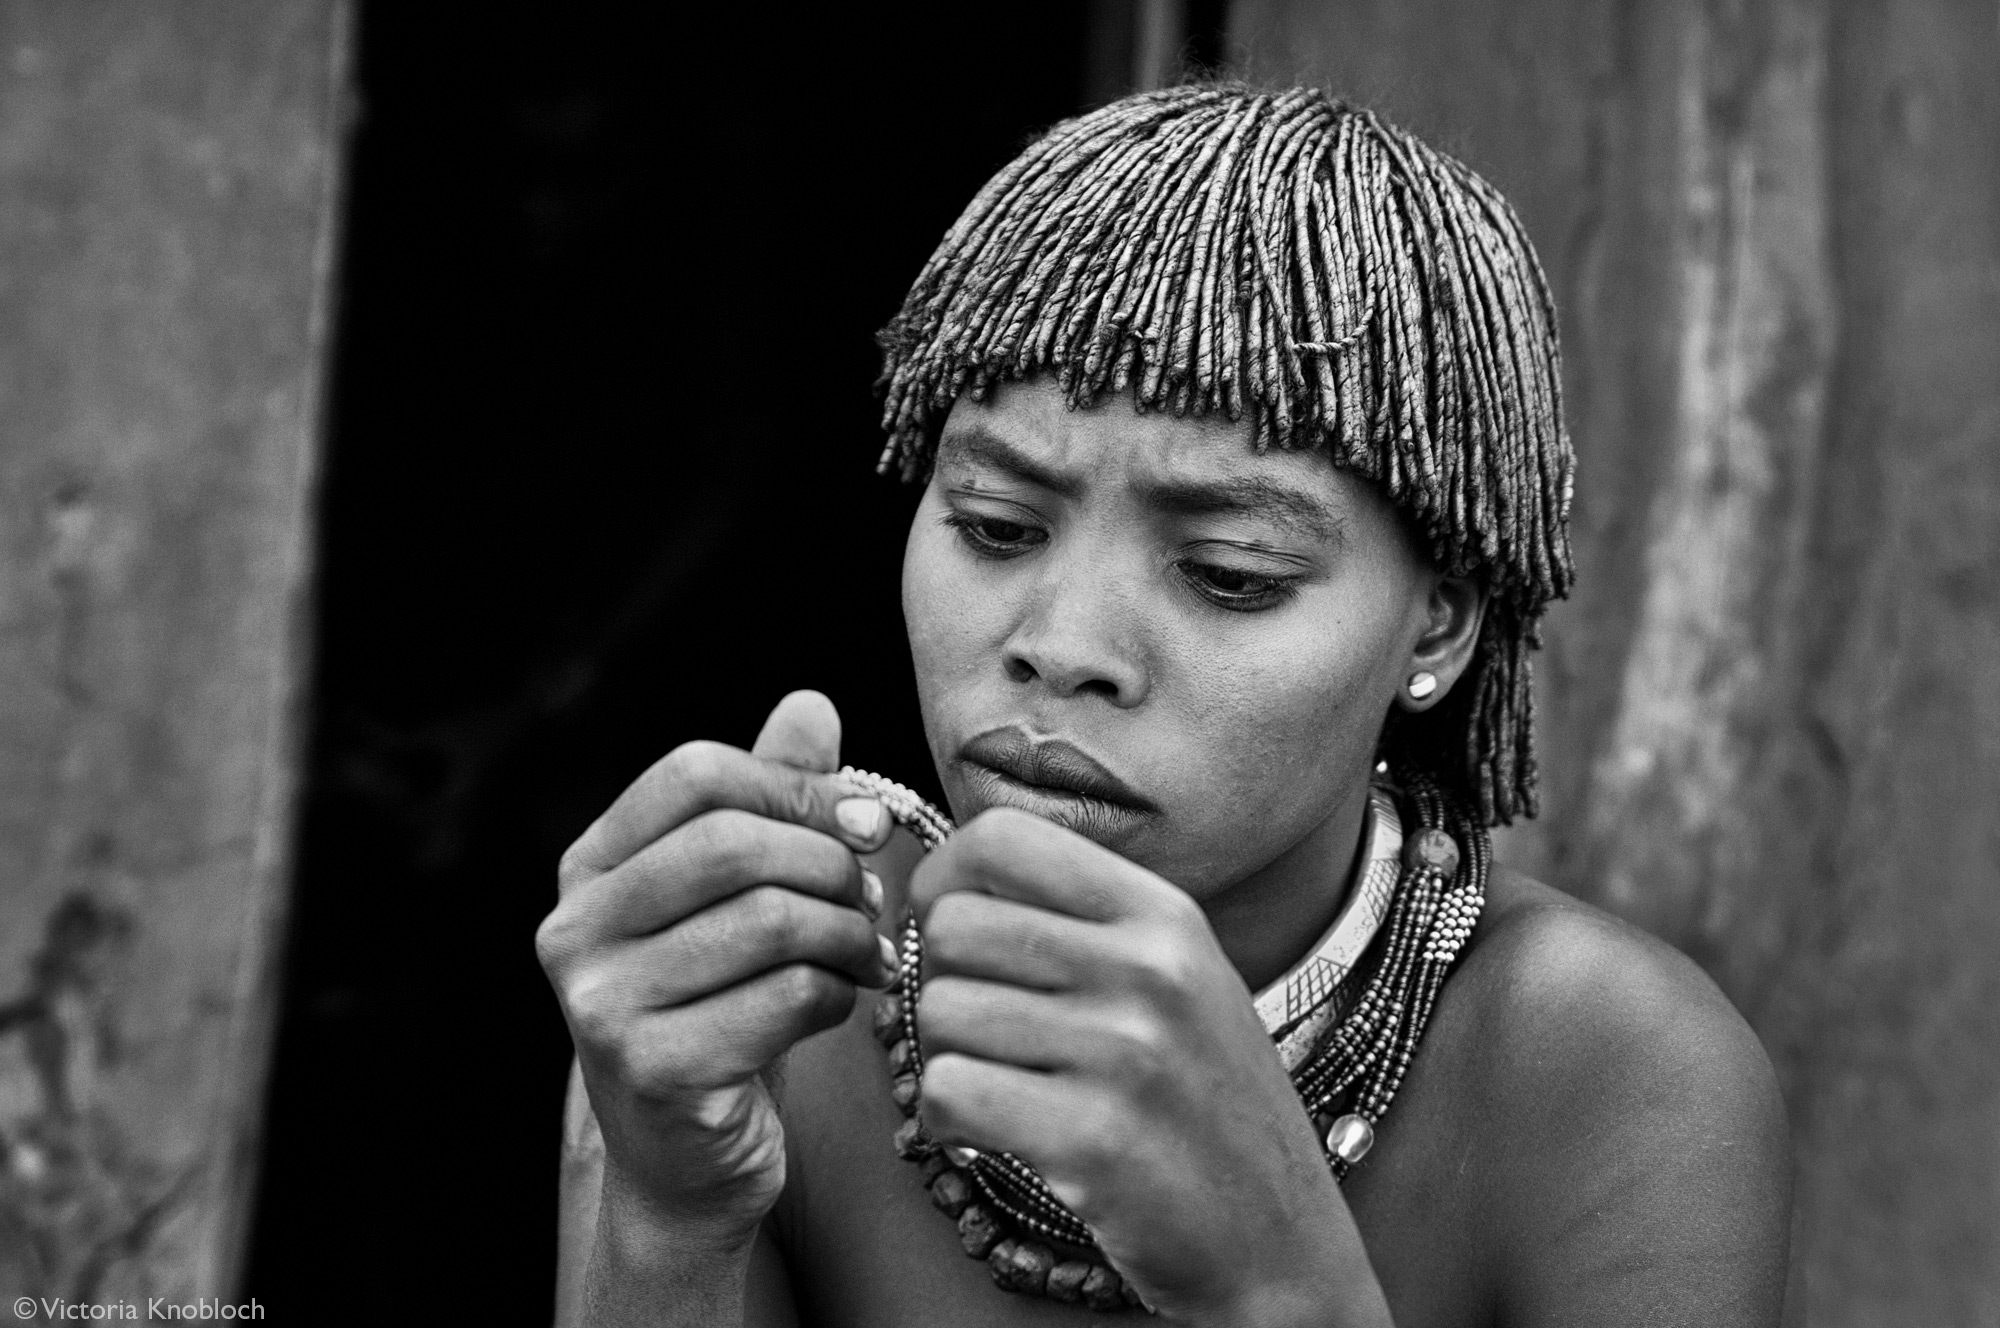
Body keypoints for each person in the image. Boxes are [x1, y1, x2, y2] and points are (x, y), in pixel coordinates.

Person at [535, 84, 1792, 1326]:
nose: (1063, 647)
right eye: (994, 525)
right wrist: (669, 1217)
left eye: (1227, 575)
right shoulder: (767, 1002)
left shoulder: (1608, 1074)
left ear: (1439, 621)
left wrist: (1268, 1276)